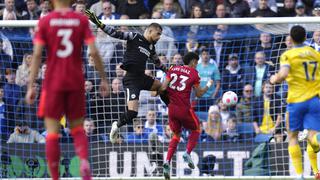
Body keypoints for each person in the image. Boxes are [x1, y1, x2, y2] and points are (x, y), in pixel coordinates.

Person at [25, 1, 110, 180]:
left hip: (53, 81)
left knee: (53, 133)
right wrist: (103, 78)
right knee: (78, 129)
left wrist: (31, 84)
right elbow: (93, 52)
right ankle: (85, 165)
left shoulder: (46, 21)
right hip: (75, 80)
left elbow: (38, 54)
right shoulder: (80, 20)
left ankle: (55, 177)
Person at [85, 9, 168, 143]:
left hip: (142, 78)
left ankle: (173, 110)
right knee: (132, 113)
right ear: (150, 31)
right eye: (158, 34)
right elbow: (115, 33)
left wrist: (167, 69)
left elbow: (157, 62)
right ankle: (116, 125)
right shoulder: (134, 36)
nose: (159, 37)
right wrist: (98, 23)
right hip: (132, 80)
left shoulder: (151, 47)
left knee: (163, 88)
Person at [270, 25, 320, 180]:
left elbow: (283, 74)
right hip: (314, 100)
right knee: (312, 135)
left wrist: (273, 79)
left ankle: (299, 175)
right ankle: (316, 139)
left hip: (296, 101)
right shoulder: (315, 54)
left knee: (292, 137)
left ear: (290, 39)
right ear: (306, 37)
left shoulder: (288, 55)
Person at [159, 52, 213, 180]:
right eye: (197, 62)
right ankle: (187, 153)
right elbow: (199, 94)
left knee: (176, 135)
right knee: (197, 128)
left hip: (171, 109)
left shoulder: (172, 69)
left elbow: (163, 88)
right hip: (184, 109)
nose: (197, 65)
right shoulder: (194, 73)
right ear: (193, 61)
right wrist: (209, 85)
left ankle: (167, 161)